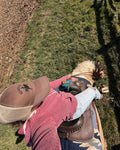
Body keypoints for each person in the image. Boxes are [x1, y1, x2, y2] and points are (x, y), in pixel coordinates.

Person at [0, 75, 102, 150]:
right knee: (91, 91)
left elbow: (50, 85)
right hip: (73, 106)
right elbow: (47, 143)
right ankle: (98, 94)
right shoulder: (43, 125)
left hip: (60, 97)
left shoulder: (37, 95)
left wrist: (67, 77)